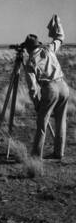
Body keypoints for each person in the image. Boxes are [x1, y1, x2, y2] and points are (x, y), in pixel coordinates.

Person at [22, 14, 69, 160]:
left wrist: (36, 103)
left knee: (42, 124)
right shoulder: (49, 48)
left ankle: (36, 156)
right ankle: (58, 152)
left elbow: (32, 87)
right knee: (61, 121)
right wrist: (57, 24)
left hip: (50, 89)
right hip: (63, 86)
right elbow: (60, 38)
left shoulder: (30, 61)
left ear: (28, 49)